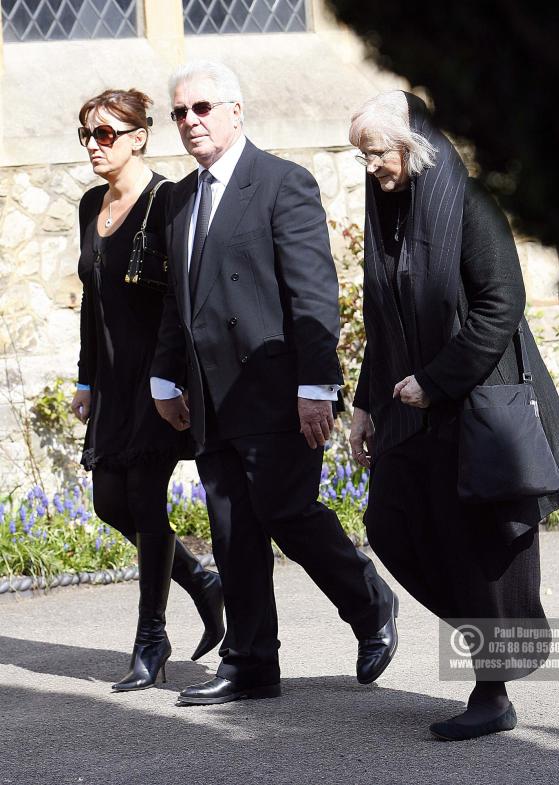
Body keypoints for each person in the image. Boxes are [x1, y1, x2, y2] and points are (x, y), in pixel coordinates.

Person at [150, 60, 398, 706]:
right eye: (179, 113)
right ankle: (252, 661)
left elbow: (314, 292)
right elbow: (178, 301)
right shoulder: (178, 199)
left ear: (236, 111)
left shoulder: (282, 183)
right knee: (232, 528)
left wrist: (319, 383)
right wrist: (162, 373)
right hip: (211, 397)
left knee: (287, 510)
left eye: (201, 108)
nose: (190, 122)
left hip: (276, 389)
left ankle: (370, 604)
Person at [347, 90, 559, 740]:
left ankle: (493, 689)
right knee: (391, 524)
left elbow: (501, 302)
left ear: (414, 145)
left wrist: (436, 378)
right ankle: (509, 645)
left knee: (479, 547)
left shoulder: (470, 203)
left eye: (378, 153)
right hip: (412, 406)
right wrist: (367, 403)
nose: (371, 167)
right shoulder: (387, 208)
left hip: (478, 400)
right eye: (363, 156)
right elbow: (385, 318)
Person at [70, 88, 225, 692]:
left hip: (158, 377)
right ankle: (201, 578)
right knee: (111, 502)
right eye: (87, 135)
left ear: (138, 136)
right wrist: (85, 376)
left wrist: (170, 377)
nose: (93, 146)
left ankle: (150, 639)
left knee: (143, 497)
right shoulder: (91, 205)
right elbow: (93, 298)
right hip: (111, 377)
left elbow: (178, 300)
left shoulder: (170, 199)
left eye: (105, 134)